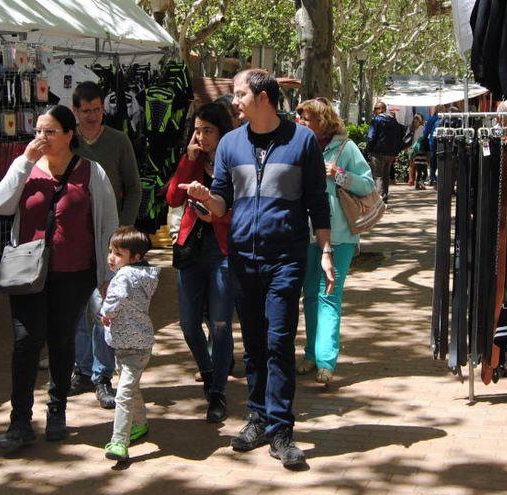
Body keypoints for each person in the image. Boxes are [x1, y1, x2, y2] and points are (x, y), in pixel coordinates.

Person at [180, 69, 334, 468]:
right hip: (242, 260)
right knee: (254, 344)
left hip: (285, 257)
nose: (235, 101)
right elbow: (222, 204)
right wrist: (202, 199)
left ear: (263, 97)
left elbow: (318, 200)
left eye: (240, 93)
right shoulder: (231, 144)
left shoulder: (302, 141)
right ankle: (257, 417)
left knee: (280, 340)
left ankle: (281, 429)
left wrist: (327, 250)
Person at [0, 105, 119, 453]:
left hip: (74, 272)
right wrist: (22, 163)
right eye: (37, 131)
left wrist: (108, 274)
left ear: (68, 135)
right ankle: (19, 422)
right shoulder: (26, 168)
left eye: (49, 132)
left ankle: (57, 410)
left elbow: (107, 223)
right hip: (26, 271)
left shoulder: (92, 173)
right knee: (26, 342)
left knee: (62, 342)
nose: (41, 138)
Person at [69, 81, 142, 409]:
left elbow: (135, 188)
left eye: (98, 109)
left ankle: (101, 375)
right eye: (87, 111)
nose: (94, 116)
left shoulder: (118, 140)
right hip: (73, 237)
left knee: (103, 308)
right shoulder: (68, 142)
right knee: (77, 307)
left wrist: (122, 230)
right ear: (76, 111)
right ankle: (81, 369)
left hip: (108, 239)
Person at [294, 98, 375, 384]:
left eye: (307, 118)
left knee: (329, 296)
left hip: (339, 236)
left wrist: (339, 175)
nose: (301, 122)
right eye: (300, 117)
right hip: (304, 233)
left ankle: (326, 362)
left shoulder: (346, 148)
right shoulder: (299, 146)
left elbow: (368, 185)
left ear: (323, 121)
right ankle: (311, 355)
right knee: (310, 298)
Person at [166, 103, 235, 422]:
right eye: (197, 130)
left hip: (223, 252)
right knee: (189, 324)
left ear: (222, 132)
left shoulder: (235, 161)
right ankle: (208, 373)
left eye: (208, 130)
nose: (201, 136)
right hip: (191, 249)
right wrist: (189, 159)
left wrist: (218, 215)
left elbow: (244, 208)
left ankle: (218, 391)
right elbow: (172, 198)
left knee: (220, 324)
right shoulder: (192, 160)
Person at [99, 227, 160, 462]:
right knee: (130, 387)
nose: (112, 258)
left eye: (118, 254)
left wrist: (106, 312)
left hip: (130, 346)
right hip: (135, 343)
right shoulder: (145, 275)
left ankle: (118, 441)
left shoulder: (124, 276)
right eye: (110, 252)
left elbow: (115, 299)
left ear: (135, 258)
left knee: (123, 393)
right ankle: (141, 423)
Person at [365, 101, 405, 204]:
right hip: (390, 154)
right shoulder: (394, 121)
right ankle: (385, 197)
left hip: (378, 153)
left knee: (378, 176)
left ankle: (379, 199)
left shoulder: (377, 120)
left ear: (380, 109)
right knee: (386, 176)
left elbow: (371, 136)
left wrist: (368, 149)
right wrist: (395, 152)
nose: (374, 111)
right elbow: (399, 137)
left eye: (375, 109)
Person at [406, 113, 425, 187]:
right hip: (419, 148)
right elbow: (424, 137)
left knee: (411, 164)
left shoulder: (410, 127)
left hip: (411, 148)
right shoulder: (422, 128)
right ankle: (417, 180)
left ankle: (411, 179)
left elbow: (406, 137)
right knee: (418, 165)